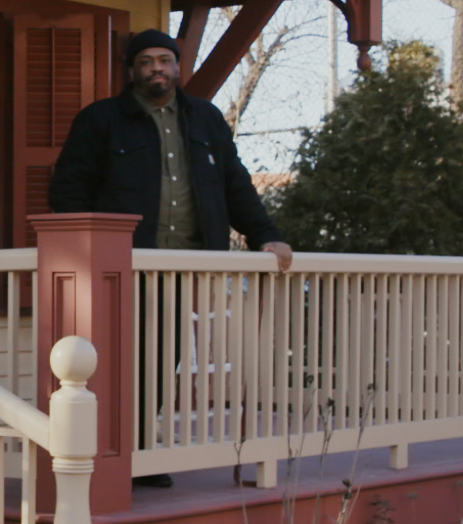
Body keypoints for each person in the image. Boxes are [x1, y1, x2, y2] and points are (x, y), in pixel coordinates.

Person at [47, 28, 292, 486]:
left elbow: (235, 185)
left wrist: (266, 235)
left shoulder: (206, 120)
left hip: (187, 266)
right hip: (120, 265)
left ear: (178, 68)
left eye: (165, 60)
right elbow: (68, 189)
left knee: (163, 358)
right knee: (117, 358)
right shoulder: (101, 120)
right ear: (132, 70)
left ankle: (137, 452)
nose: (156, 68)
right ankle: (104, 453)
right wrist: (86, 250)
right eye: (146, 61)